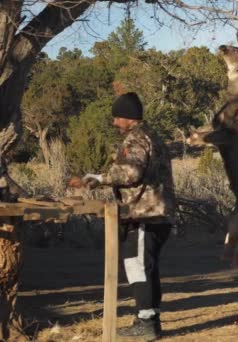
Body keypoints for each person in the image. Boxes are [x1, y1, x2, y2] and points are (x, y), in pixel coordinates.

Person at [69, 92, 175, 341]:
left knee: (138, 266)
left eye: (117, 118)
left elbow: (132, 173)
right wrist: (96, 180)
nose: (115, 123)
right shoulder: (153, 135)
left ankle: (146, 324)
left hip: (145, 213)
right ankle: (148, 318)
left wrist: (99, 179)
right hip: (158, 212)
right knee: (147, 267)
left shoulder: (135, 139)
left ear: (129, 118)